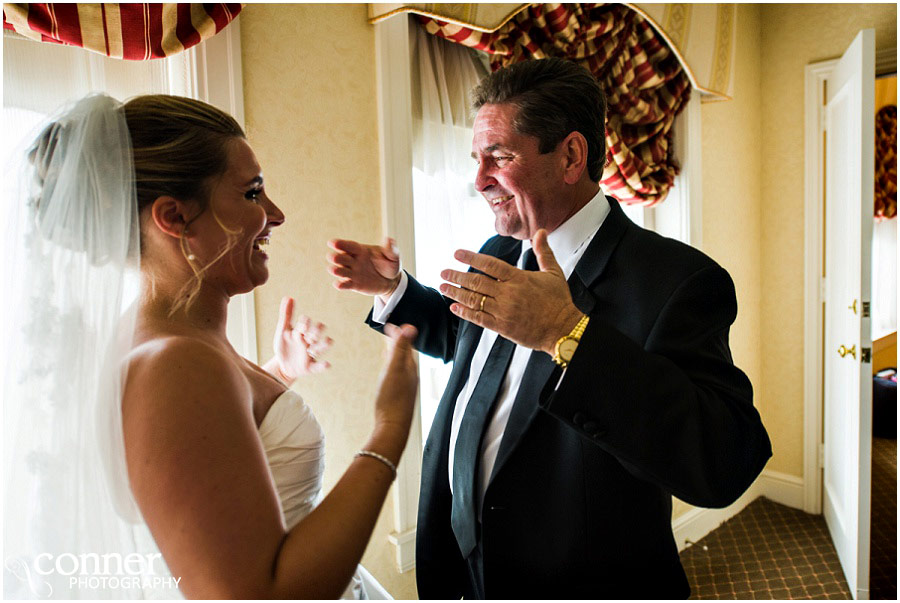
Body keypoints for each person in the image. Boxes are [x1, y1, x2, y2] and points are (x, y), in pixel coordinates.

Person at [327, 58, 772, 599]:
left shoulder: (678, 281)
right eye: (476, 159)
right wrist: (395, 291)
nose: (479, 180)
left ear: (570, 156)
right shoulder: (499, 251)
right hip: (468, 574)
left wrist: (568, 334)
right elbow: (465, 341)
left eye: (500, 156)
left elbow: (724, 461)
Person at [3, 94, 419, 599]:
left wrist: (274, 379)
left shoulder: (164, 341)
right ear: (174, 217)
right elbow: (258, 594)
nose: (276, 214)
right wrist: (390, 429)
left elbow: (206, 461)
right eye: (252, 194)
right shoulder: (177, 363)